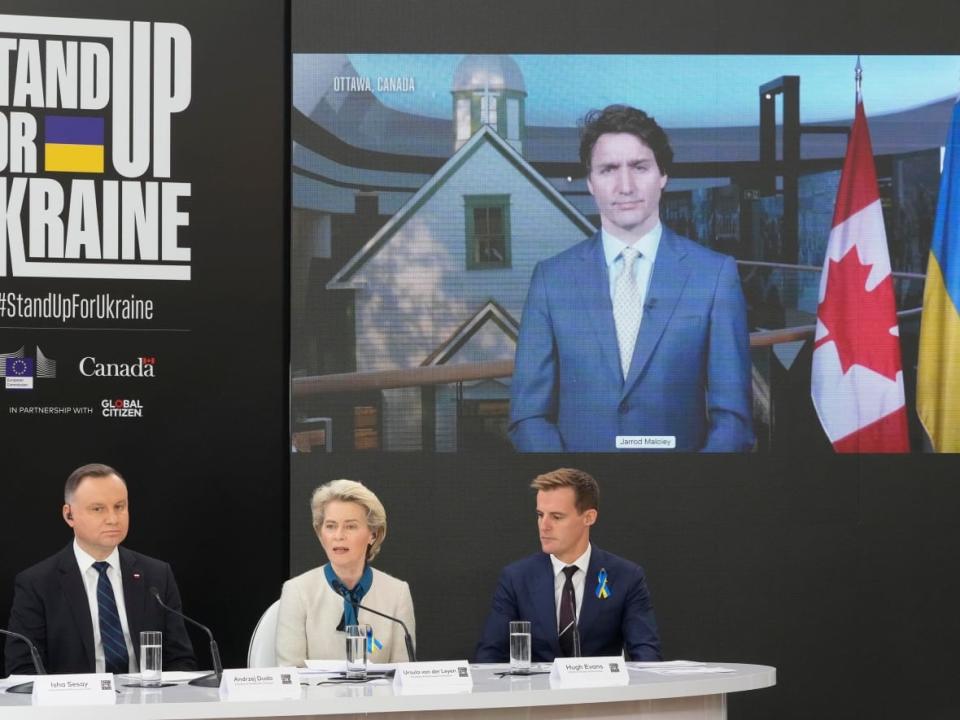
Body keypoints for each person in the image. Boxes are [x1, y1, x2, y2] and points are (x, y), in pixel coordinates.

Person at [509, 104, 754, 452]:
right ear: (591, 182)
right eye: (608, 169)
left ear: (663, 175)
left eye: (639, 167)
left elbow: (734, 419)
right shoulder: (551, 280)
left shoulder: (713, 275)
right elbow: (528, 416)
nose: (625, 186)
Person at [4, 463, 197, 675]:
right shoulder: (37, 584)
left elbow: (181, 662)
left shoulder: (157, 576)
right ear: (69, 515)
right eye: (98, 509)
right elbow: (23, 670)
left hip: (146, 703)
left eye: (120, 506)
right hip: (73, 705)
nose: (113, 519)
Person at [475, 468, 660, 662]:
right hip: (538, 691)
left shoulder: (626, 577)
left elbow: (646, 654)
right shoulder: (517, 578)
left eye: (556, 517)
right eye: (540, 515)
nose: (543, 526)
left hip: (601, 691)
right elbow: (489, 656)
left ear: (589, 517)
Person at [275, 479, 415, 665]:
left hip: (381, 695)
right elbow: (289, 674)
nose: (338, 536)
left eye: (350, 526)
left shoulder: (397, 593)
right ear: (321, 533)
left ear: (372, 534)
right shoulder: (297, 591)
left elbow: (403, 677)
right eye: (331, 526)